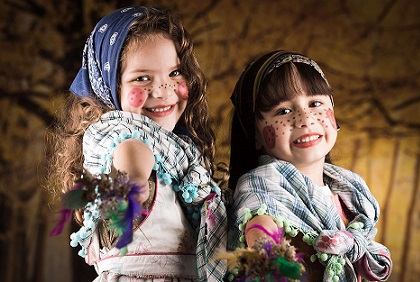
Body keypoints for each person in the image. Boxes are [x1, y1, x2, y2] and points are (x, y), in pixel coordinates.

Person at [47, 6, 227, 281]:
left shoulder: (177, 154)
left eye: (174, 73)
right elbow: (133, 164)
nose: (162, 90)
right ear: (110, 86)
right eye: (142, 78)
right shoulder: (127, 138)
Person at [227, 50, 392, 281]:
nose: (305, 119)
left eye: (315, 103)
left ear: (333, 112)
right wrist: (269, 254)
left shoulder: (351, 194)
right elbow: (261, 233)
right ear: (255, 134)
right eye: (283, 111)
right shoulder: (262, 192)